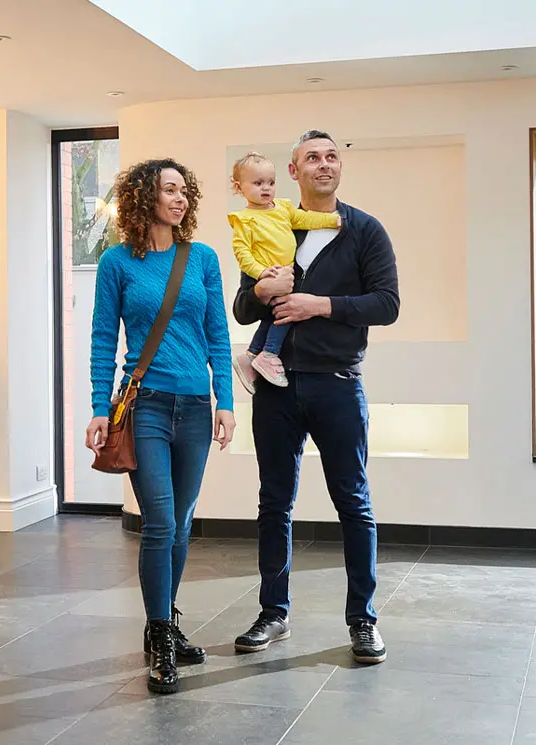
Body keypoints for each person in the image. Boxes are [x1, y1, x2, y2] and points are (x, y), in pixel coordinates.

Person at [230, 130, 399, 664]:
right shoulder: (268, 221)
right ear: (293, 170)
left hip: (338, 385)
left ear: (339, 168)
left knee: (354, 503)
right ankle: (273, 613)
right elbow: (242, 306)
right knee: (274, 503)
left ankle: (362, 621)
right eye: (312, 158)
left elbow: (387, 303)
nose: (324, 165)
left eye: (332, 157)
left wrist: (316, 305)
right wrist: (262, 291)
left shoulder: (364, 230)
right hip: (276, 388)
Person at [86, 158, 236, 695]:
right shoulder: (116, 263)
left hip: (196, 405)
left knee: (182, 520)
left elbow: (218, 334)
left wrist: (224, 399)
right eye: (168, 190)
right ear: (143, 198)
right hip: (145, 405)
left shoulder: (203, 259)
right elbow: (105, 338)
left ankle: (166, 623)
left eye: (183, 191)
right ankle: (160, 637)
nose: (179, 199)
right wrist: (100, 407)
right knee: (160, 522)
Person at [227, 152, 342, 392]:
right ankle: (268, 354)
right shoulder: (244, 219)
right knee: (285, 312)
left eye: (271, 182)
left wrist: (332, 221)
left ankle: (250, 356)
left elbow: (305, 219)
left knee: (274, 316)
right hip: (270, 274)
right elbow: (242, 254)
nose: (266, 188)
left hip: (286, 272)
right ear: (239, 188)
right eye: (258, 184)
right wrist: (262, 273)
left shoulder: (282, 208)